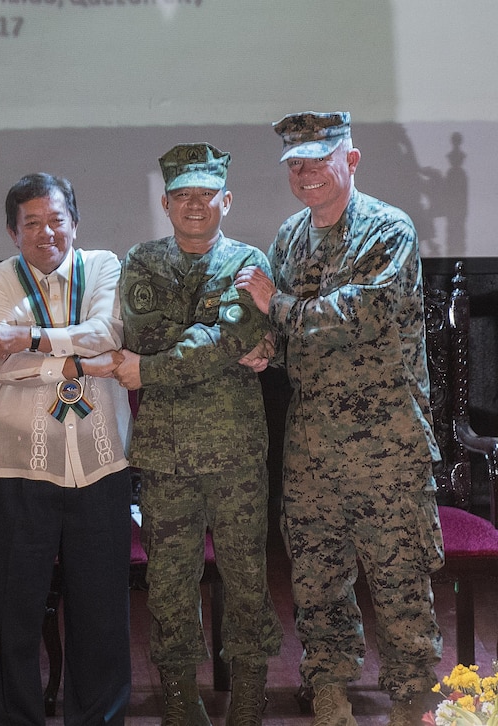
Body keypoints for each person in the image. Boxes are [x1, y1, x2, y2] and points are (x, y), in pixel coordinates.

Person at [235, 111, 444, 726]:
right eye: (295, 164)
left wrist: (278, 306)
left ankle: (411, 699)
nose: (305, 174)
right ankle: (329, 691)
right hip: (311, 444)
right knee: (317, 577)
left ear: (350, 161)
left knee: (401, 578)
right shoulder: (289, 238)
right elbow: (275, 327)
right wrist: (263, 348)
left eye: (318, 160)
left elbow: (363, 316)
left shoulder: (389, 229)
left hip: (388, 442)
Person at [105, 143, 282, 726]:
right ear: (165, 202)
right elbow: (147, 332)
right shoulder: (142, 260)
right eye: (183, 195)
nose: (195, 205)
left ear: (226, 200)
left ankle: (250, 697)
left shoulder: (250, 261)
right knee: (170, 584)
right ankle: (181, 700)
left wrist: (155, 367)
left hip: (235, 452)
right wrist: (222, 339)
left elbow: (209, 342)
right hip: (165, 456)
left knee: (247, 578)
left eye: (206, 194)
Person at [0, 172, 132, 726]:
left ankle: (98, 717)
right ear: (13, 233)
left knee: (102, 610)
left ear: (75, 223)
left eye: (56, 220)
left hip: (101, 462)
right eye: (31, 224)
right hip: (19, 464)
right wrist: (77, 358)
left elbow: (109, 331)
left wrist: (31, 338)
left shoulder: (107, 266)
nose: (46, 233)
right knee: (12, 611)